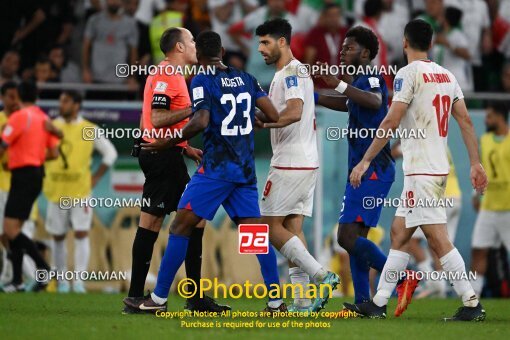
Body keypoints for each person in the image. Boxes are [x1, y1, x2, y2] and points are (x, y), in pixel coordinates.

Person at [124, 30, 282, 313]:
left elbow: (200, 120)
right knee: (255, 232)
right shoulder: (247, 78)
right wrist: (247, 117)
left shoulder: (201, 80)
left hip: (216, 168)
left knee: (179, 227)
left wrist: (170, 142)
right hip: (245, 170)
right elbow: (273, 115)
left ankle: (158, 300)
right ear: (222, 52)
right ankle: (276, 301)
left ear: (200, 56)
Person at [344, 19, 488, 321]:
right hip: (429, 170)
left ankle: (472, 302)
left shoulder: (406, 75)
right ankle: (379, 302)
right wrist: (474, 162)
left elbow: (391, 120)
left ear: (405, 42)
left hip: (423, 171)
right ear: (431, 44)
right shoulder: (447, 76)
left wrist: (367, 159)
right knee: (399, 233)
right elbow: (465, 121)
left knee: (437, 240)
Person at [122, 27, 226, 314]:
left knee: (154, 223)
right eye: (191, 40)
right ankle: (193, 298)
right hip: (161, 155)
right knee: (192, 219)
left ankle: (135, 297)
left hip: (162, 153)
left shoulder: (167, 72)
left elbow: (154, 119)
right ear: (179, 47)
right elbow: (157, 118)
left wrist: (184, 146)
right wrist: (195, 108)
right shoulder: (168, 74)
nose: (195, 45)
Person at [314, 26, 417, 312]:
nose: (342, 51)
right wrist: (317, 98)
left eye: (349, 47)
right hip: (364, 169)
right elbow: (351, 103)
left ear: (366, 53)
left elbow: (373, 100)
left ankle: (402, 278)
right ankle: (364, 303)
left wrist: (336, 84)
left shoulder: (371, 76)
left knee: (345, 237)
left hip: (373, 167)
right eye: (342, 47)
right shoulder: (360, 81)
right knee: (355, 239)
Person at [255, 18, 340, 313]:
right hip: (307, 162)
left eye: (265, 42)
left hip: (290, 162)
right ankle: (303, 300)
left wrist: (264, 121)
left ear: (282, 42)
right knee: (292, 228)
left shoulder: (291, 72)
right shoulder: (295, 72)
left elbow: (294, 111)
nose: (260, 49)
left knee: (267, 226)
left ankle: (322, 276)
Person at [43, 90, 118, 293]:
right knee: (57, 236)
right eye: (61, 101)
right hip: (56, 190)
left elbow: (110, 153)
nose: (62, 105)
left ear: (76, 105)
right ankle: (62, 282)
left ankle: (78, 281)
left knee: (81, 233)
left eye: (66, 101)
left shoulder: (88, 129)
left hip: (81, 192)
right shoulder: (52, 127)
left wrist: (96, 177)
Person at [0, 81, 61, 292]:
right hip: (36, 175)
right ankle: (17, 281)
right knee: (15, 228)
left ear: (18, 95)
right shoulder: (44, 118)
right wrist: (32, 157)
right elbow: (54, 153)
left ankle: (43, 269)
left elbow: (3, 144)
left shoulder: (18, 117)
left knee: (9, 229)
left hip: (23, 176)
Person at [470, 101, 510, 297]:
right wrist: (475, 194)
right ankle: (473, 298)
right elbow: (481, 169)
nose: (486, 120)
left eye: (490, 116)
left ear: (500, 117)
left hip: (508, 207)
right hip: (488, 207)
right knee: (478, 249)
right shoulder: (485, 140)